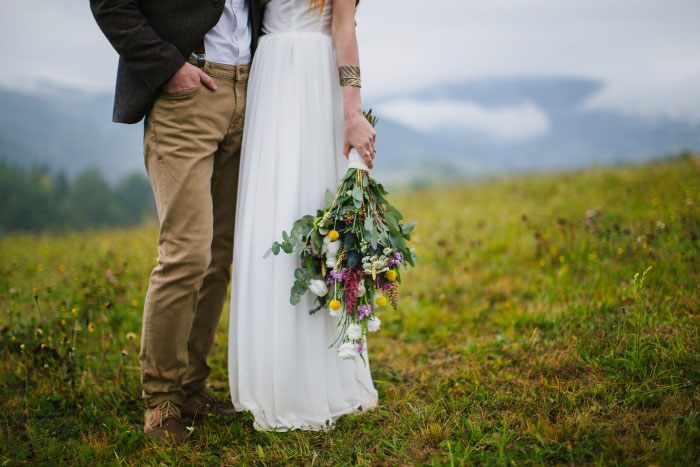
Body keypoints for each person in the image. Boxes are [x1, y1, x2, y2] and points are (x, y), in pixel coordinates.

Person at [90, 0, 264, 443]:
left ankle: (190, 388)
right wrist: (168, 66)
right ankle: (161, 399)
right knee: (186, 253)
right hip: (188, 86)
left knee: (219, 254)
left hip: (251, 89)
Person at [228, 0, 378, 431]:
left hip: (313, 74)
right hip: (270, 71)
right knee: (271, 216)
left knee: (309, 208)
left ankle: (311, 379)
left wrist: (352, 111)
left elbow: (345, 26)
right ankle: (273, 373)